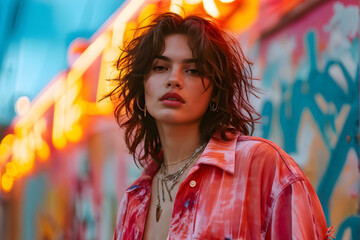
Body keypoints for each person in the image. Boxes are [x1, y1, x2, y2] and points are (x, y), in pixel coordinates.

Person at [109, 12, 331, 240]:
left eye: (193, 70)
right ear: (142, 87)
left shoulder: (263, 167)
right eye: (160, 67)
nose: (174, 79)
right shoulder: (133, 200)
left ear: (215, 92)